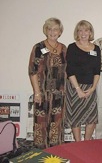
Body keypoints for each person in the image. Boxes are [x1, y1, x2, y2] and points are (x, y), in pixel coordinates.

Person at [28, 17, 66, 148]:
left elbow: (67, 71)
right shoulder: (38, 47)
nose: (52, 32)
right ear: (46, 30)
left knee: (57, 123)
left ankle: (57, 151)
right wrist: (37, 92)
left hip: (59, 93)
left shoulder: (64, 48)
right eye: (50, 29)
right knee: (41, 123)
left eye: (55, 29)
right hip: (42, 92)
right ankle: (40, 151)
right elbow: (32, 71)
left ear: (60, 31)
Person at [65, 20, 101, 141]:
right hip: (75, 87)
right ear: (77, 33)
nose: (83, 33)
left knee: (91, 117)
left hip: (90, 87)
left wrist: (93, 88)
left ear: (90, 32)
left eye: (86, 30)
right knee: (76, 116)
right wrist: (78, 89)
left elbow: (97, 70)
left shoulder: (96, 49)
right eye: (80, 30)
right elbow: (70, 70)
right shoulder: (72, 47)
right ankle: (78, 144)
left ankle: (87, 143)